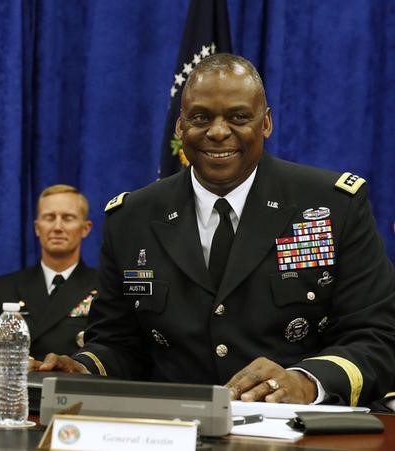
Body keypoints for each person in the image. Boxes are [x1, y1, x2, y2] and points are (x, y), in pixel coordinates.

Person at [38, 53, 395, 407]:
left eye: (239, 117)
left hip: (295, 433)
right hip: (172, 431)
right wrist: (82, 369)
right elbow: (118, 343)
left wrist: (305, 382)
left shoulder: (332, 206)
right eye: (200, 117)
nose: (219, 131)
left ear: (266, 123)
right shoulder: (132, 217)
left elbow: (377, 336)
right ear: (180, 127)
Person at [0, 184, 98, 390]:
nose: (57, 227)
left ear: (85, 228)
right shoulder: (3, 288)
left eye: (67, 218)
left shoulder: (105, 288)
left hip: (80, 396)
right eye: (49, 217)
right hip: (16, 396)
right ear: (36, 227)